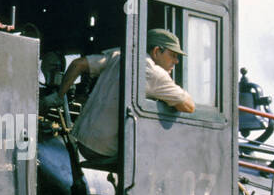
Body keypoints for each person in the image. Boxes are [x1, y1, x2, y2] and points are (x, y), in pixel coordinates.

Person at [58, 29, 195, 164]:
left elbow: (77, 64)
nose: (176, 61)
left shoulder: (118, 55)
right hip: (105, 151)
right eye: (173, 55)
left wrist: (58, 97)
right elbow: (189, 106)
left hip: (82, 141)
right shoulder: (154, 73)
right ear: (156, 51)